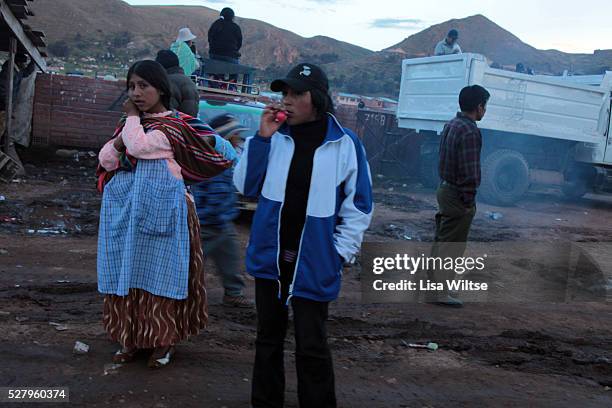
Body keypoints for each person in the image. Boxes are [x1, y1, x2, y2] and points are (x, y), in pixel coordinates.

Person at [234, 63, 373, 408]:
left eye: (298, 94)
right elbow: (246, 186)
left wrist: (339, 253)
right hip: (272, 253)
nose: (287, 101)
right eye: (285, 93)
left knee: (312, 343)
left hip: (314, 259)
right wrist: (262, 139)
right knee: (268, 338)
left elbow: (360, 205)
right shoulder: (274, 137)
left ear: (318, 99)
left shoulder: (345, 144)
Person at [96, 60, 236, 368]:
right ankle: (129, 338)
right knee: (128, 272)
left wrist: (207, 142)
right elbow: (107, 160)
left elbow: (142, 147)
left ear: (161, 88)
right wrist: (123, 133)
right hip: (129, 214)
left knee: (164, 276)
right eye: (131, 86)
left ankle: (164, 343)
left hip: (167, 213)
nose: (136, 93)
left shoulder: (176, 124)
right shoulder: (129, 126)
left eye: (143, 86)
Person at [428, 85, 490, 307]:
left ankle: (433, 288)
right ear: (479, 106)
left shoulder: (451, 124)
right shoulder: (470, 130)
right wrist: (468, 200)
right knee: (452, 246)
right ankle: (440, 293)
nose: (485, 110)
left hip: (445, 188)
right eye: (485, 106)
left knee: (442, 241)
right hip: (457, 194)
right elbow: (469, 171)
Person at [192, 114, 253, 308]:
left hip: (221, 222)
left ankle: (233, 292)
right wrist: (215, 218)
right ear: (226, 138)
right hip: (209, 224)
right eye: (236, 135)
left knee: (230, 257)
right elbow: (214, 196)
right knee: (192, 262)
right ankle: (178, 293)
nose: (239, 140)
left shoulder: (224, 160)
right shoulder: (216, 163)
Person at [0, 54, 36, 140]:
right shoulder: (8, 72)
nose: (25, 65)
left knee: (2, 125)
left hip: (5, 104)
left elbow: (27, 72)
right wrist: (6, 103)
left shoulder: (17, 71)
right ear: (19, 63)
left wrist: (33, 61)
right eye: (24, 63)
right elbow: (2, 88)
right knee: (1, 125)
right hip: (2, 104)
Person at [155, 49, 200, 117]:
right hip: (188, 124)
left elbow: (168, 112)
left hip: (173, 125)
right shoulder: (189, 81)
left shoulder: (168, 82)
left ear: (160, 66)